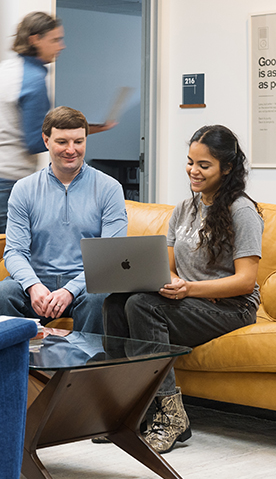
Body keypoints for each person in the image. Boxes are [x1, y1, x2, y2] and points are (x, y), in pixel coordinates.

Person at [0, 12, 115, 312]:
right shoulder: (34, 79)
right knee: (29, 259)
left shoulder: (4, 70)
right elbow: (36, 139)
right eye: (55, 39)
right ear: (36, 40)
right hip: (7, 182)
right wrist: (88, 130)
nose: (62, 46)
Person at [103, 124, 264, 454]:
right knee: (115, 303)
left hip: (232, 308)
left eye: (204, 165)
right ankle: (127, 412)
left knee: (141, 307)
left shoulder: (241, 211)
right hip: (187, 301)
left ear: (227, 168)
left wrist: (189, 289)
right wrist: (170, 280)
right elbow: (168, 266)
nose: (194, 170)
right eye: (190, 161)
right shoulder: (184, 209)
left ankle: (172, 417)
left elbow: (246, 280)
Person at [0, 106, 128, 333]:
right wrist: (33, 286)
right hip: (38, 282)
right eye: (62, 142)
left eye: (78, 142)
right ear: (46, 140)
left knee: (100, 299)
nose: (71, 150)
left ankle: (85, 368)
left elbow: (112, 257)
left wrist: (71, 290)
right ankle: (14, 367)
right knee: (0, 295)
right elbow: (14, 252)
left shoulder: (109, 188)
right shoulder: (24, 189)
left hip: (87, 285)